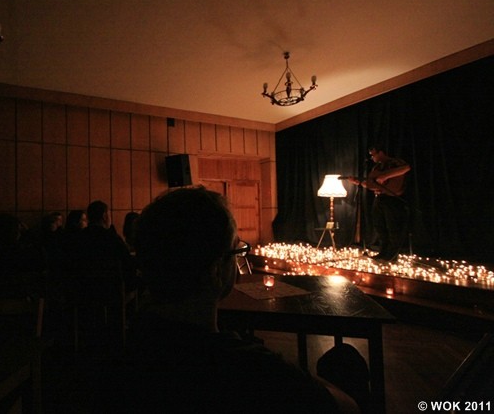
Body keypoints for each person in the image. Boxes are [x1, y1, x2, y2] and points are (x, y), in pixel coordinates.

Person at [92, 187, 361, 413]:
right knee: (345, 361)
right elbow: (348, 407)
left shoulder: (118, 360)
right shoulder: (253, 372)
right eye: (236, 250)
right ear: (217, 270)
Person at [348, 145, 411, 261]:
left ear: (381, 152)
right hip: (379, 198)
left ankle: (392, 255)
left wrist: (384, 176)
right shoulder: (377, 167)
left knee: (393, 228)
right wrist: (359, 182)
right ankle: (383, 252)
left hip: (393, 199)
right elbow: (373, 185)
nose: (372, 157)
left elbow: (406, 168)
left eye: (373, 154)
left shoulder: (394, 162)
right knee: (380, 226)